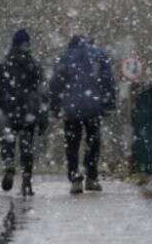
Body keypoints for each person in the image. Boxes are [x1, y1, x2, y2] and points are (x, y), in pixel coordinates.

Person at [0, 29, 48, 195]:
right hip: (29, 112)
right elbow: (42, 93)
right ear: (28, 44)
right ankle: (26, 181)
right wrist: (42, 116)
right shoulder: (34, 65)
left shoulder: (2, 64)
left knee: (7, 142)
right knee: (27, 147)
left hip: (7, 110)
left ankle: (9, 164)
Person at [49, 35, 116, 195]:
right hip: (94, 105)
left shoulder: (64, 57)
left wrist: (55, 105)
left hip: (71, 106)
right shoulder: (99, 55)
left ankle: (75, 177)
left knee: (72, 142)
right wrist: (108, 103)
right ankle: (91, 176)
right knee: (93, 141)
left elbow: (56, 82)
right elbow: (107, 80)